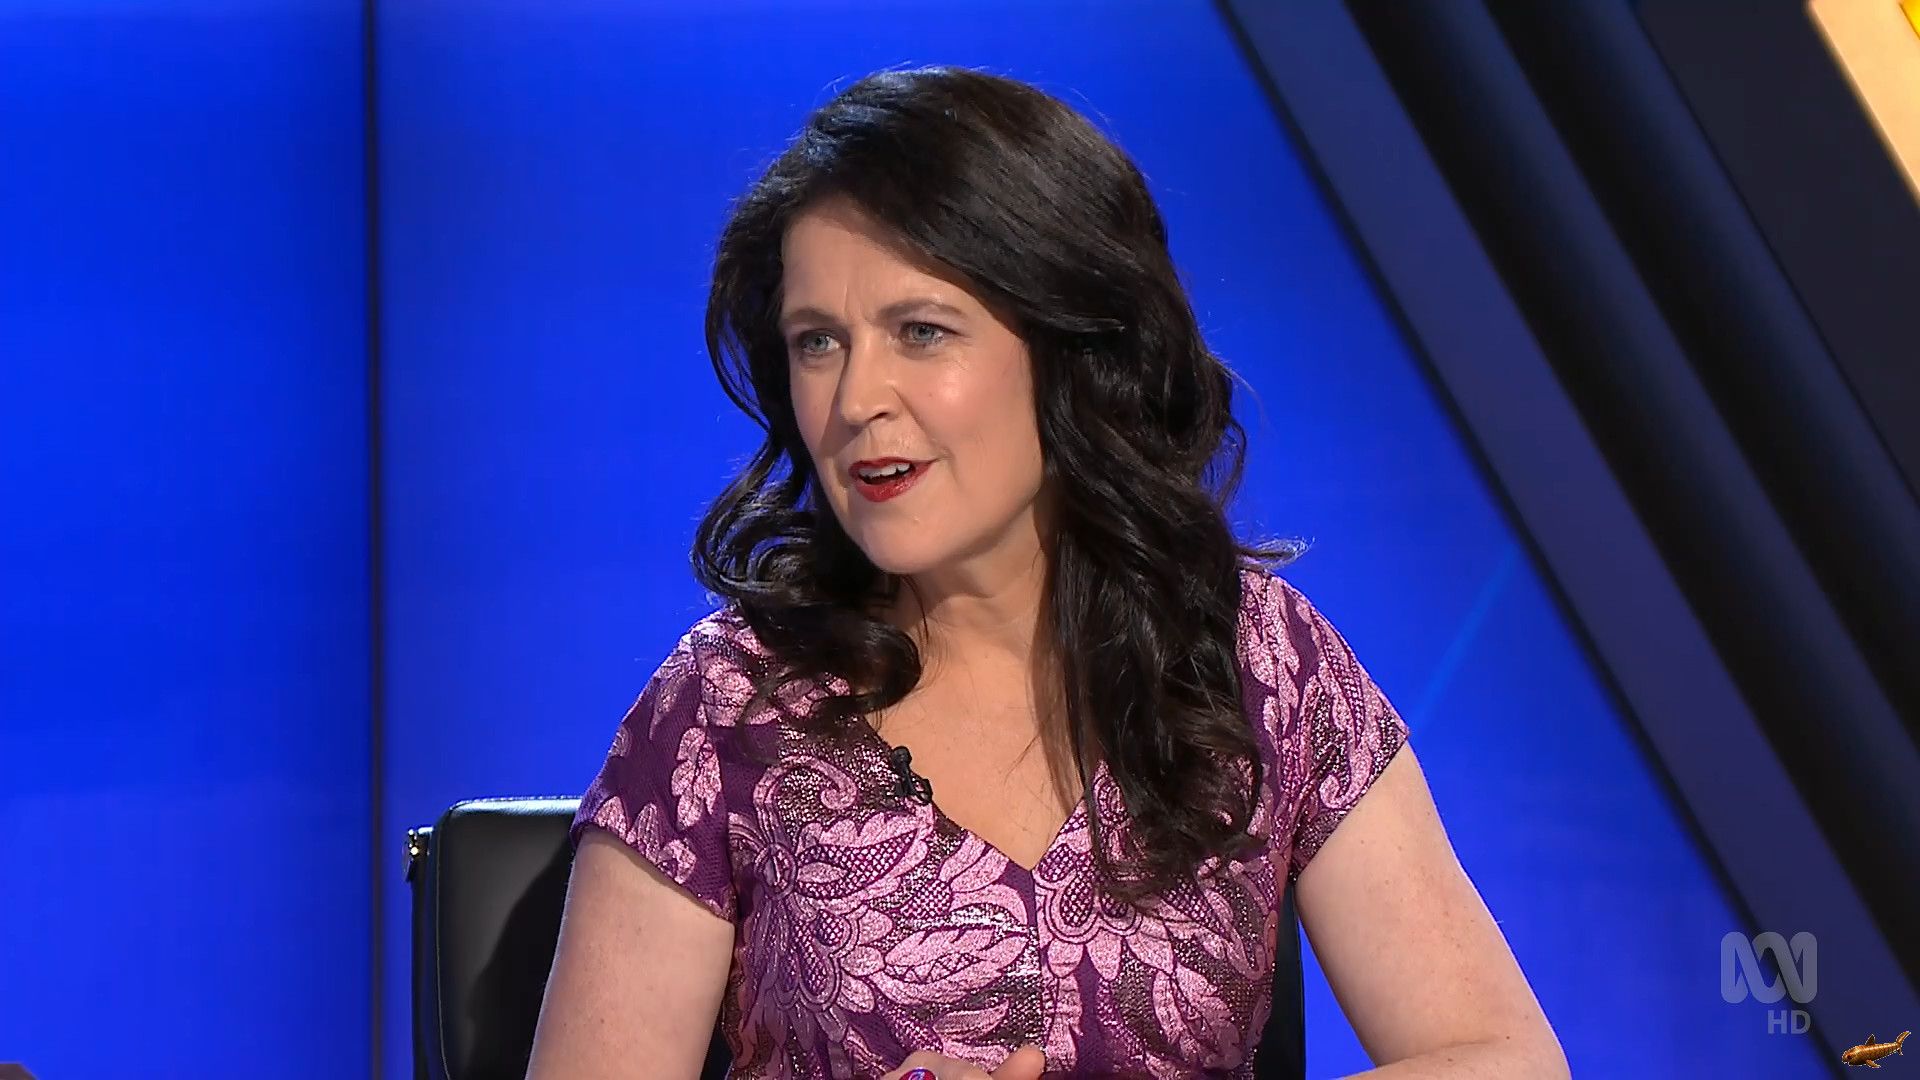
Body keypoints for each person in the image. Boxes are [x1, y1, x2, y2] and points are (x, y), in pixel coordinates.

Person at [526, 66, 1565, 1080]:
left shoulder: (1253, 660)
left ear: (1071, 350)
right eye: (818, 342)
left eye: (920, 332)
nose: (855, 399)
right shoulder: (725, 710)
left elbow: (1506, 1058)